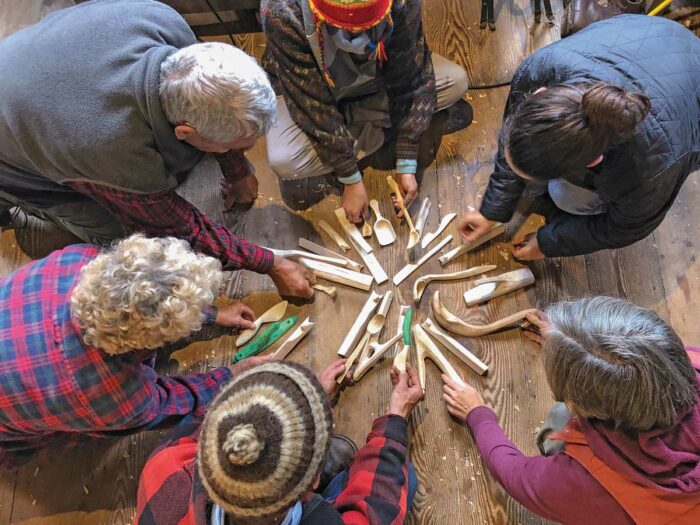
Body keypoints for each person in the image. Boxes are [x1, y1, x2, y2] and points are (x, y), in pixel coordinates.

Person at [0, 0, 314, 298]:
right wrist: (270, 264)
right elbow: (184, 229)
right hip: (11, 155)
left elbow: (225, 105)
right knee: (131, 242)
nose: (245, 150)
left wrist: (237, 171)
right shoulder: (117, 155)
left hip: (31, 75)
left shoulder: (167, 25)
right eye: (237, 146)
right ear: (185, 132)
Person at [0, 234, 269, 469]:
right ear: (145, 340)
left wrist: (212, 313)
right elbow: (165, 405)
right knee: (52, 436)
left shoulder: (80, 259)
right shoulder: (104, 394)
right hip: (7, 430)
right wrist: (229, 377)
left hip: (18, 334)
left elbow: (151, 287)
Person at [458, 15, 700, 260]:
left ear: (592, 162)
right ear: (538, 94)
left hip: (687, 80)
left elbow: (624, 227)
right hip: (650, 34)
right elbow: (519, 140)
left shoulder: (648, 171)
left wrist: (548, 243)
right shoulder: (539, 71)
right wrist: (491, 211)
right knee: (538, 185)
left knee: (567, 199)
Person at [442, 296, 700, 524]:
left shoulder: (591, 485)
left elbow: (516, 476)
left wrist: (478, 415)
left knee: (557, 422)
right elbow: (622, 357)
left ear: (579, 404)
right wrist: (567, 342)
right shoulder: (678, 360)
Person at [134, 359, 425, 524]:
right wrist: (395, 417)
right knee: (402, 477)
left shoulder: (166, 467)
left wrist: (311, 405)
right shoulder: (321, 521)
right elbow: (373, 516)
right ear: (312, 483)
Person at [261, 0, 471, 223]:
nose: (359, 35)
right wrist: (350, 178)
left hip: (375, 74)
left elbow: (412, 77)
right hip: (309, 86)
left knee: (455, 82)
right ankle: (368, 126)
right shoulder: (281, 10)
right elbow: (312, 106)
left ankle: (350, 127)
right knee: (284, 160)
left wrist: (407, 159)